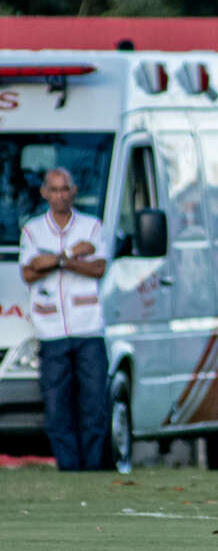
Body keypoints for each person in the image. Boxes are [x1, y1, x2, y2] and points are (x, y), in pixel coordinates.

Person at [18, 168, 110, 471]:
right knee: (57, 406)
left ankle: (93, 467)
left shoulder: (92, 226)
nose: (60, 196)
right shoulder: (33, 230)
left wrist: (51, 260)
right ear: (44, 193)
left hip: (88, 328)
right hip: (51, 331)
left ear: (74, 191)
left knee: (94, 403)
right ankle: (69, 467)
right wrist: (70, 255)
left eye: (65, 189)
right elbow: (29, 272)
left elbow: (98, 268)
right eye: (54, 190)